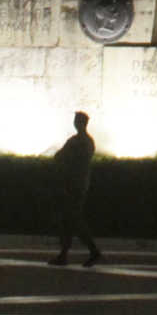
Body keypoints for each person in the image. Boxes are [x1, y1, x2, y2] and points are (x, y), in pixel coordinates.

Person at [50, 110, 103, 266]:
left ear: (81, 123)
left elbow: (61, 157)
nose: (75, 123)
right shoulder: (86, 141)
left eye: (77, 120)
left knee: (72, 220)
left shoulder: (78, 142)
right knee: (69, 220)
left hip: (73, 185)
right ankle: (64, 254)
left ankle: (91, 251)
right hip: (77, 184)